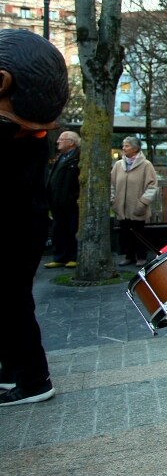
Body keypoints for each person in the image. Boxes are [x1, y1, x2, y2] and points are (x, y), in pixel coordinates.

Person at [0, 29, 68, 406]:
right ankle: (15, 370)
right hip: (25, 225)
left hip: (17, 227)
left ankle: (32, 376)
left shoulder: (20, 135)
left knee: (12, 302)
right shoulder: (30, 134)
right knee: (12, 302)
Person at [111, 136, 158, 267]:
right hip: (121, 207)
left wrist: (143, 203)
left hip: (138, 207)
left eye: (126, 146)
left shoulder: (146, 165)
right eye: (123, 146)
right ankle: (128, 256)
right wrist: (113, 200)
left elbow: (152, 186)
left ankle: (141, 257)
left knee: (139, 233)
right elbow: (112, 184)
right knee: (125, 233)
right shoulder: (118, 165)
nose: (123, 148)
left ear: (135, 148)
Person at [45, 130, 81, 269]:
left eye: (61, 139)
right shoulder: (61, 157)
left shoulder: (78, 158)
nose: (57, 141)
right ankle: (60, 257)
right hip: (57, 203)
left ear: (71, 142)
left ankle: (72, 257)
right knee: (59, 230)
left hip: (71, 203)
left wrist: (74, 197)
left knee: (71, 230)